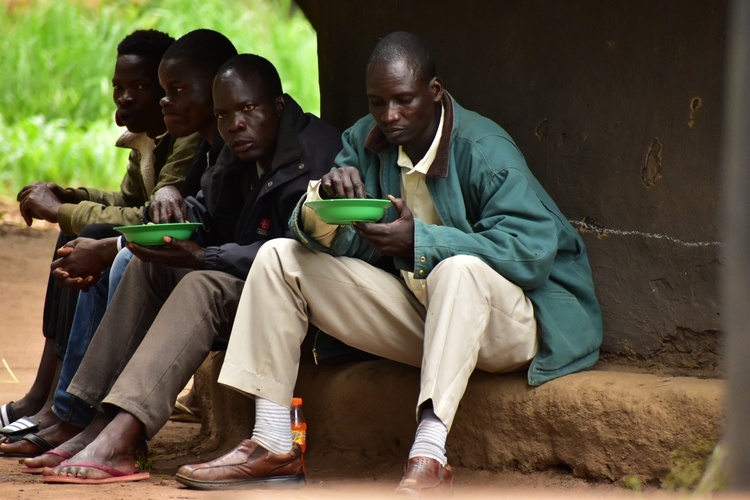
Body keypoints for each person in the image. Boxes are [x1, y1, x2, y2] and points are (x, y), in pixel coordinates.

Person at [173, 31, 603, 494]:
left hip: (508, 329)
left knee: (456, 268)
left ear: (434, 92)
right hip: (424, 319)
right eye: (378, 103)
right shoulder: (365, 139)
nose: (389, 116)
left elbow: (531, 252)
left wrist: (419, 240)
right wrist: (323, 199)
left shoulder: (483, 149)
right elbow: (334, 241)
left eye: (404, 101)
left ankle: (430, 452)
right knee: (281, 255)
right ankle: (273, 443)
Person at [38, 52, 342, 484]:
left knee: (203, 285)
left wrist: (204, 257)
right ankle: (96, 420)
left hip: (307, 303)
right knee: (149, 265)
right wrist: (172, 208)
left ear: (278, 104)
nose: (235, 124)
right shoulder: (240, 147)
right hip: (252, 288)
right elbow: (209, 213)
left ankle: (122, 437)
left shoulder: (313, 157)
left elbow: (298, 254)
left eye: (248, 109)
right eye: (223, 115)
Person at [0, 28, 237, 462]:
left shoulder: (195, 142)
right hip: (203, 259)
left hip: (220, 272)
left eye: (146, 88)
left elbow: (156, 217)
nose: (129, 99)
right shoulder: (159, 138)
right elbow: (135, 204)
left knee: (104, 245)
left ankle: (75, 410)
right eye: (119, 88)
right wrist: (74, 198)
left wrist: (67, 215)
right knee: (84, 236)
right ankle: (50, 398)